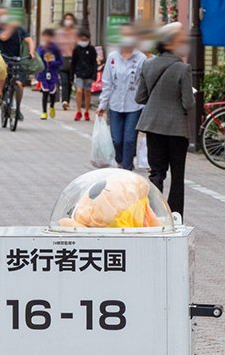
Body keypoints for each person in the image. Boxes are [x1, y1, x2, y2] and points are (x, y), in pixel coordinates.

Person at [135, 22, 194, 217]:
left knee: (156, 173)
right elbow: (188, 102)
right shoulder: (183, 69)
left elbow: (140, 97)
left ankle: (153, 214)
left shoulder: (148, 64)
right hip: (177, 129)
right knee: (177, 176)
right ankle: (175, 216)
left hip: (152, 125)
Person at [97, 26, 147, 170]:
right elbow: (107, 82)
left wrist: (144, 104)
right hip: (115, 104)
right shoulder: (113, 57)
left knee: (130, 139)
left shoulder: (141, 58)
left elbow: (144, 83)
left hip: (134, 105)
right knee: (116, 140)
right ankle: (120, 160)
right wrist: (102, 104)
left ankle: (127, 167)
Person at [36, 28, 63, 120]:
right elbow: (37, 60)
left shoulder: (56, 48)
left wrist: (52, 63)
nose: (47, 39)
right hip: (43, 73)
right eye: (45, 37)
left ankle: (52, 105)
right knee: (45, 92)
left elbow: (60, 62)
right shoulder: (40, 48)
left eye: (49, 37)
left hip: (53, 73)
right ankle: (44, 111)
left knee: (52, 92)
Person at [71, 29, 98, 121]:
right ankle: (78, 111)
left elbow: (94, 62)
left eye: (85, 39)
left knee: (87, 92)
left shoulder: (92, 49)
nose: (83, 41)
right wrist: (72, 75)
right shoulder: (76, 49)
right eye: (82, 39)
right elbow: (73, 63)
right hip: (79, 73)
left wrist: (94, 75)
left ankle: (86, 111)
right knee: (79, 91)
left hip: (89, 74)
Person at [55, 13, 78, 110]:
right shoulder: (59, 33)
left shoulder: (76, 33)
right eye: (67, 19)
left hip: (73, 60)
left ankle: (67, 100)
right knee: (64, 81)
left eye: (70, 19)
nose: (68, 21)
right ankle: (64, 100)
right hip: (62, 59)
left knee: (70, 81)